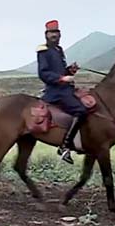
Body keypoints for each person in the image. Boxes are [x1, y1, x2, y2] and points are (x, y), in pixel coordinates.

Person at [37, 20, 86, 164]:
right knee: (81, 111)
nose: (55, 36)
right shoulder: (43, 51)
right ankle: (64, 146)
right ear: (46, 35)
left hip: (64, 88)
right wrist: (62, 78)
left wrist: (69, 71)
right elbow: (43, 73)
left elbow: (59, 71)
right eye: (52, 33)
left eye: (57, 33)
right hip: (56, 92)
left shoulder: (58, 50)